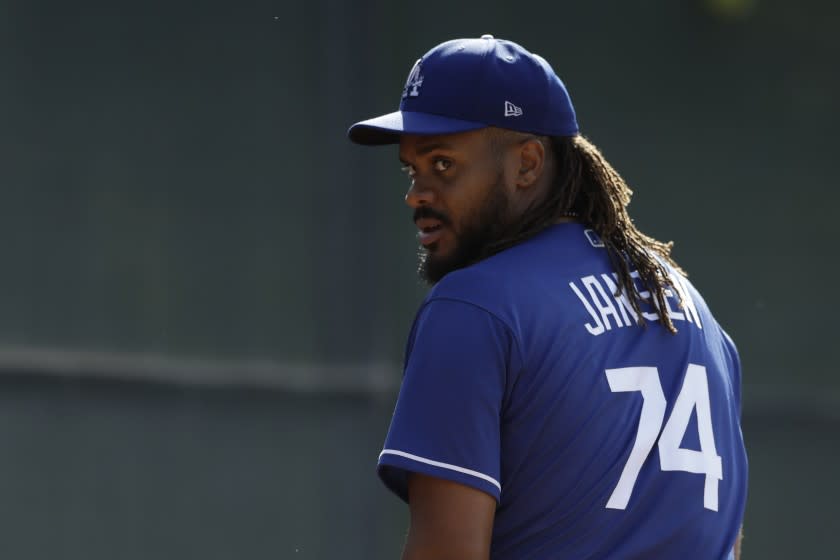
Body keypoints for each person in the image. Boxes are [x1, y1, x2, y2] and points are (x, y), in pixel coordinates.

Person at [348, 35, 747, 560]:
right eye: (412, 168)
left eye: (442, 163)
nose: (417, 193)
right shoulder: (694, 311)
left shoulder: (475, 307)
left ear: (528, 164)